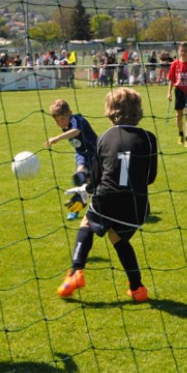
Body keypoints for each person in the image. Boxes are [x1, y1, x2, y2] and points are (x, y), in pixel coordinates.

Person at [57, 88, 158, 303]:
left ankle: (75, 273)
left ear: (110, 112)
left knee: (86, 223)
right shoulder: (149, 138)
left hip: (107, 198)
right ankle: (137, 288)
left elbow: (95, 178)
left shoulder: (104, 138)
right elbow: (150, 177)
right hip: (136, 205)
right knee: (117, 237)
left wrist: (85, 192)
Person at [44, 99, 100, 221]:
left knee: (91, 184)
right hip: (81, 155)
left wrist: (57, 138)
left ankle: (91, 204)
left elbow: (76, 132)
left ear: (70, 113)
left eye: (62, 119)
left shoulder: (78, 120)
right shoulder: (66, 125)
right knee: (80, 178)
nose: (60, 122)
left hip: (95, 154)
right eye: (57, 120)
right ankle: (75, 209)